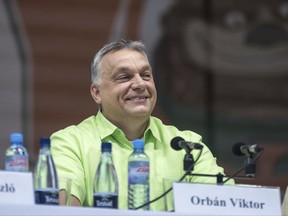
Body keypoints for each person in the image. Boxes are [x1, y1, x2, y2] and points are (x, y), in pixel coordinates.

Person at [50, 39, 233, 211]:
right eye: (124, 77)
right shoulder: (70, 143)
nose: (139, 84)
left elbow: (225, 205)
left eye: (146, 75)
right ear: (97, 93)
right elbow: (61, 209)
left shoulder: (187, 145)